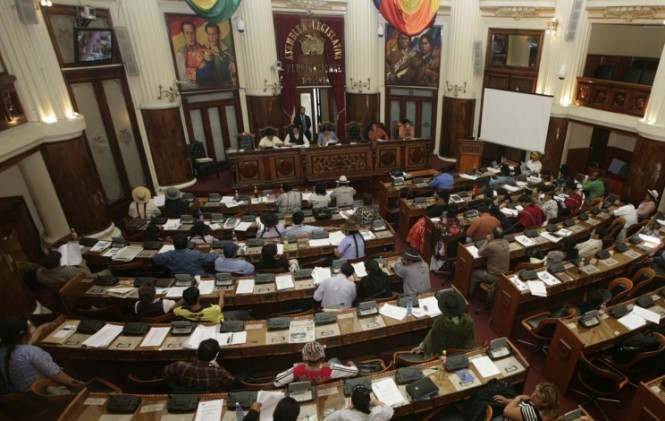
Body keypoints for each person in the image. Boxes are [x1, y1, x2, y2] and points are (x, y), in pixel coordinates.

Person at [0, 317, 86, 393]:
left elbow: (27, 342)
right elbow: (60, 377)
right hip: (42, 394)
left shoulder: (6, 349)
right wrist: (85, 386)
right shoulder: (32, 352)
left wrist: (40, 328)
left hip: (17, 396)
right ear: (26, 334)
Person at [410, 289, 476, 357]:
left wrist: (421, 346)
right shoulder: (469, 320)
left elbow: (432, 338)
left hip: (443, 354)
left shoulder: (441, 322)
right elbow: (471, 341)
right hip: (463, 354)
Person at [274, 341, 358, 387]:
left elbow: (277, 382)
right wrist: (351, 364)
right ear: (322, 357)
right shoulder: (331, 369)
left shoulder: (296, 370)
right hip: (325, 389)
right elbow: (355, 371)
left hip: (307, 390)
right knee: (334, 360)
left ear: (305, 358)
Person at [163, 339, 235, 391]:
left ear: (197, 352)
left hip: (185, 394)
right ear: (215, 357)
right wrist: (219, 367)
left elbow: (165, 373)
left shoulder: (179, 365)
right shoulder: (219, 371)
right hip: (209, 396)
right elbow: (230, 381)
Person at [469, 227, 510, 297]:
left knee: (473, 273)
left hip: (495, 276)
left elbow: (479, 253)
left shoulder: (491, 245)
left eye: (490, 234)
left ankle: (469, 295)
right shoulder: (506, 242)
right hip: (505, 274)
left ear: (493, 236)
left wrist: (487, 241)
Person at [153, 234, 220, 276]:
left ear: (174, 244)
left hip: (178, 278)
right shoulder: (194, 254)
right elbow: (209, 259)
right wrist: (216, 253)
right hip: (197, 277)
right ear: (187, 243)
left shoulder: (168, 255)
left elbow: (155, 259)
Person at [495, 382, 560, 421]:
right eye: (535, 391)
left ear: (545, 403)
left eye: (537, 397)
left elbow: (506, 412)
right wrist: (507, 400)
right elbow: (525, 402)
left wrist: (519, 397)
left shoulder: (531, 413)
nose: (532, 395)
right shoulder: (554, 408)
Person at [324, 384, 394, 421]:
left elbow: (327, 419)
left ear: (352, 401)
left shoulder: (343, 415)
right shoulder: (379, 412)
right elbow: (390, 410)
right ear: (368, 400)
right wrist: (373, 400)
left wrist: (346, 407)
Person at [176, 20, 214, 86]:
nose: (190, 37)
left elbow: (211, 73)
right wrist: (201, 70)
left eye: (192, 33)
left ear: (195, 32)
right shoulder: (181, 54)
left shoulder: (203, 48)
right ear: (183, 34)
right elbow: (183, 78)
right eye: (187, 33)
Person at [203, 22, 236, 87]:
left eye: (213, 34)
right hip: (211, 84)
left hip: (226, 83)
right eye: (209, 34)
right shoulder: (204, 49)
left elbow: (232, 62)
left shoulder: (225, 48)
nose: (211, 37)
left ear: (218, 34)